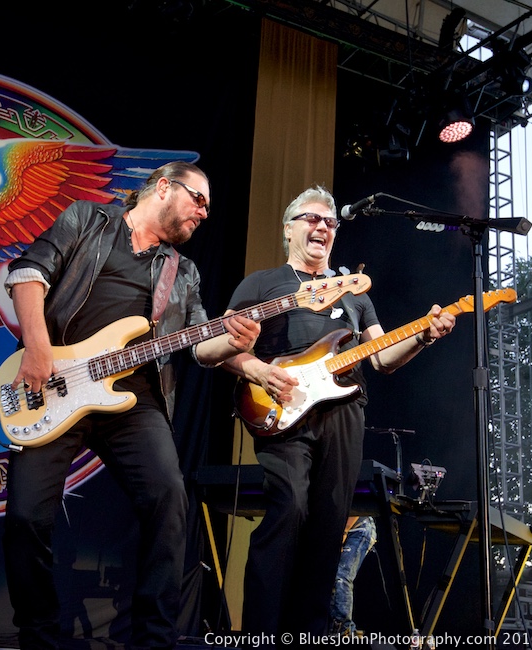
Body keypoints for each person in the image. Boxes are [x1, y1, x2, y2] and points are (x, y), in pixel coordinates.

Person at [1, 161, 261, 650]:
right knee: (26, 519)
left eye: (208, 208)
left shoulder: (183, 273)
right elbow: (27, 272)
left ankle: (154, 641)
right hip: (54, 384)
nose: (205, 213)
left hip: (134, 402)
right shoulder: (86, 220)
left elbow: (200, 347)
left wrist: (232, 340)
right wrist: (37, 349)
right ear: (163, 187)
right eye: (199, 200)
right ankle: (38, 637)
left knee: (168, 498)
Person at [218, 185, 455, 644]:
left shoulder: (355, 295)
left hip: (345, 410)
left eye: (330, 222)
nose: (323, 227)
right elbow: (220, 349)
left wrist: (425, 334)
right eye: (312, 218)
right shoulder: (263, 284)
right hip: (283, 403)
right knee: (287, 508)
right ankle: (260, 636)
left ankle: (306, 636)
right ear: (289, 228)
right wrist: (262, 372)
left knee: (329, 526)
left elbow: (382, 357)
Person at [330, 515, 377, 637]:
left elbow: (359, 505)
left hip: (358, 528)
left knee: (342, 575)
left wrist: (344, 531)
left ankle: (344, 628)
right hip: (340, 529)